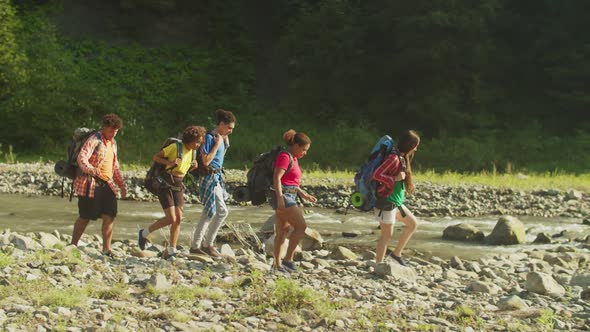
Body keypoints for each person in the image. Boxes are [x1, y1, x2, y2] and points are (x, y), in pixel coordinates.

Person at [138, 125, 206, 259]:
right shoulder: (176, 147)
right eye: (197, 141)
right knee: (171, 218)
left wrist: (194, 165)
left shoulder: (193, 152)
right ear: (190, 139)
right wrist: (169, 162)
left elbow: (185, 167)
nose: (198, 145)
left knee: (178, 219)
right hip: (166, 184)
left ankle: (171, 249)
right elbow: (156, 157)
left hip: (179, 185)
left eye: (200, 142)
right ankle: (144, 233)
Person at [71, 113, 127, 257]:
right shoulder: (94, 139)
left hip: (107, 183)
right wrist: (90, 169)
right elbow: (82, 157)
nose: (113, 134)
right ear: (104, 128)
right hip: (90, 182)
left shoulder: (113, 143)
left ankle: (106, 249)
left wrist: (121, 185)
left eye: (116, 131)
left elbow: (115, 166)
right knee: (85, 216)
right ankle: (73, 245)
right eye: (111, 131)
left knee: (110, 215)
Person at [190, 109, 236, 257]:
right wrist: (217, 144)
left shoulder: (222, 139)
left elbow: (219, 159)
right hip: (209, 177)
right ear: (221, 124)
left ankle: (203, 244)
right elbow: (206, 161)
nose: (230, 131)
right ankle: (202, 245)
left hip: (217, 178)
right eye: (229, 128)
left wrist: (224, 144)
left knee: (217, 211)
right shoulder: (210, 138)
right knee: (213, 211)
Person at [270, 129, 317, 272]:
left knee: (283, 231)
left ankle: (277, 265)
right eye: (303, 149)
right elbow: (277, 178)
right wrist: (280, 200)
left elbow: (292, 181)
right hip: (284, 196)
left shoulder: (293, 158)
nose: (305, 153)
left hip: (290, 194)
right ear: (295, 146)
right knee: (301, 227)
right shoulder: (285, 156)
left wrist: (303, 194)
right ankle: (288, 259)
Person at [373, 130, 420, 266]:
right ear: (409, 145)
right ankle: (379, 265)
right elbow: (377, 174)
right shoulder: (393, 158)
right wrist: (395, 178)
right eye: (415, 145)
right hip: (386, 201)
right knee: (386, 236)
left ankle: (396, 254)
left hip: (396, 203)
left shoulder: (401, 157)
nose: (416, 149)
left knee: (412, 224)